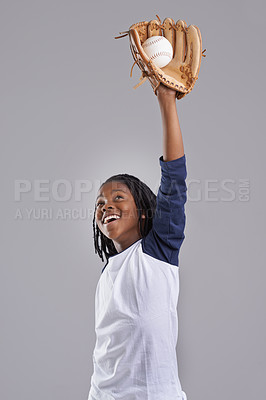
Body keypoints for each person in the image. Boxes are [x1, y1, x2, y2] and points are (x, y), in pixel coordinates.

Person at [88, 83, 188, 400]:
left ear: (144, 212)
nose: (106, 207)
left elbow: (174, 179)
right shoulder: (108, 273)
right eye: (100, 203)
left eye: (118, 197)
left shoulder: (158, 250)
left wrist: (167, 100)